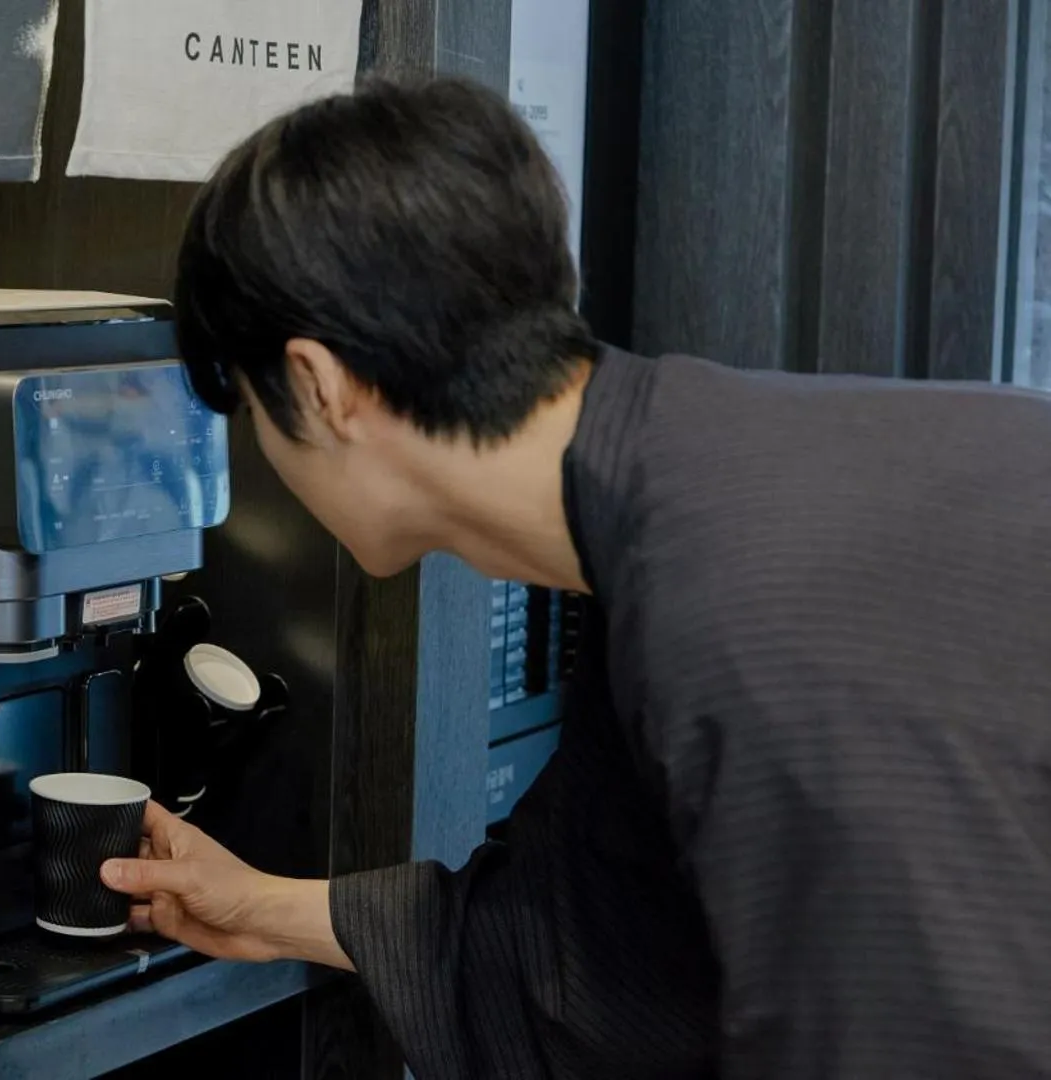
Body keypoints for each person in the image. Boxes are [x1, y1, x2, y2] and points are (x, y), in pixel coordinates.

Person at [99, 76, 1051, 1079]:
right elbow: (606, 948)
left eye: (248, 411)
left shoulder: (739, 606)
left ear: (317, 386)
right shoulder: (679, 475)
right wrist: (265, 910)